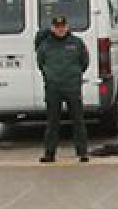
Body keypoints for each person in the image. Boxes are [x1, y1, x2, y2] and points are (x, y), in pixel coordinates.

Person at [34, 14, 89, 164]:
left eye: (62, 27)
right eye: (57, 27)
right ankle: (49, 153)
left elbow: (84, 62)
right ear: (52, 28)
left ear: (67, 27)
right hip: (53, 88)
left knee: (78, 121)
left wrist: (75, 75)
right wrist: (50, 76)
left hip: (72, 87)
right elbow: (40, 63)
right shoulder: (45, 45)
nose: (60, 30)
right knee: (52, 122)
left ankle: (82, 152)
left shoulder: (76, 43)